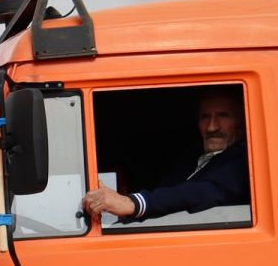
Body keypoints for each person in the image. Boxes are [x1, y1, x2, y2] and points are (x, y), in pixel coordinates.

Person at [81, 87, 250, 222]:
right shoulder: (191, 157)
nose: (212, 127)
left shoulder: (246, 159)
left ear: (242, 120)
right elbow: (166, 196)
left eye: (223, 116)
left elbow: (204, 191)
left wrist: (133, 203)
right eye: (205, 117)